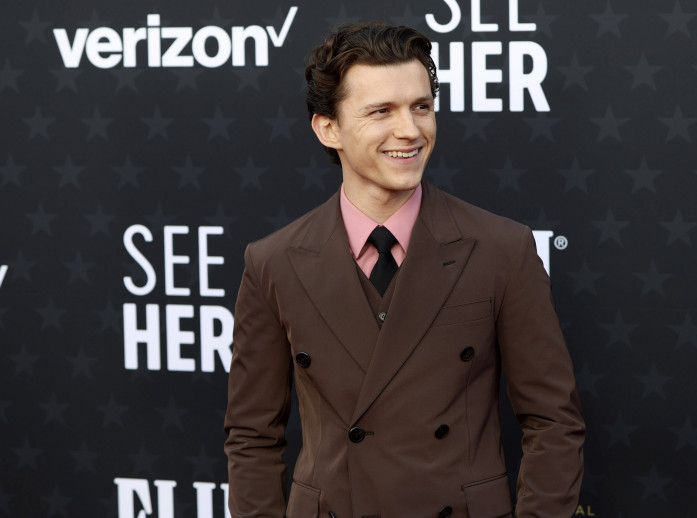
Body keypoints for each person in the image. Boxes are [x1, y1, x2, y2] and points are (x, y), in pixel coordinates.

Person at [224, 21, 585, 518]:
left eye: (422, 106)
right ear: (329, 129)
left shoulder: (502, 249)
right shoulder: (273, 262)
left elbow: (553, 423)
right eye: (381, 112)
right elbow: (252, 437)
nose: (411, 130)